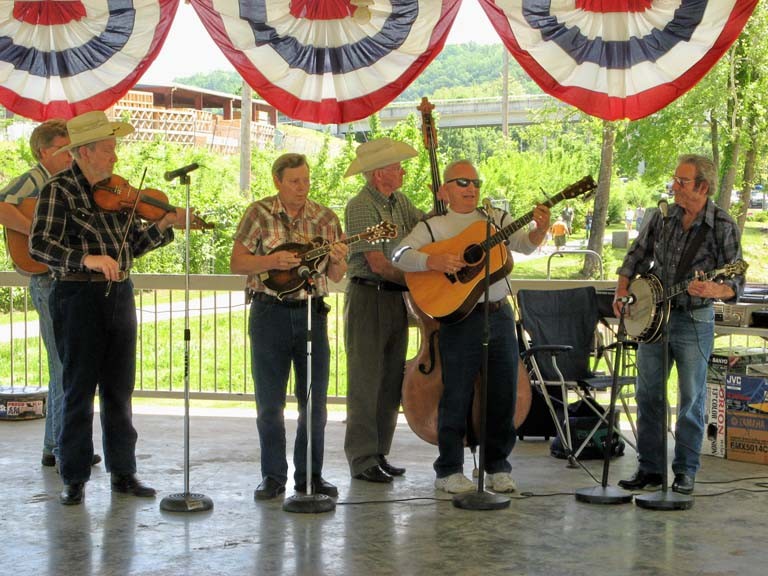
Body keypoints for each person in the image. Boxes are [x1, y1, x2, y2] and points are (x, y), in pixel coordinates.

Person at [29, 110, 179, 505]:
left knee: (119, 389)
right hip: (77, 295)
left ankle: (124, 473)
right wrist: (86, 259)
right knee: (78, 390)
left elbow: (130, 248)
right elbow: (39, 245)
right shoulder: (59, 190)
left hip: (119, 293)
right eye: (108, 149)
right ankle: (74, 477)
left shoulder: (116, 192)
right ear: (85, 152)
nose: (115, 156)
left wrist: (161, 227)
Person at [392, 160, 550, 493]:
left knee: (503, 391)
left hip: (499, 313)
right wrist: (432, 260)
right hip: (459, 317)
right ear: (445, 190)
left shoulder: (495, 218)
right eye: (462, 182)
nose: (471, 188)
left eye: (475, 182)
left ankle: (497, 467)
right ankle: (449, 470)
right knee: (456, 392)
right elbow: (398, 254)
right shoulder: (433, 226)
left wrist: (540, 229)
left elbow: (525, 244)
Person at [613, 154, 744, 495]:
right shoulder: (663, 216)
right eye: (674, 180)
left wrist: (714, 289)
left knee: (691, 400)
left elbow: (736, 280)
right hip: (653, 318)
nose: (674, 187)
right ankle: (650, 468)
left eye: (682, 182)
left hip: (693, 320)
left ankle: (685, 471)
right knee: (648, 395)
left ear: (703, 187)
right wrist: (623, 291)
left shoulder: (722, 225)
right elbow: (636, 255)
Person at [230, 153, 348, 500]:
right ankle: (272, 476)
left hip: (312, 312)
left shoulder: (325, 218)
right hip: (269, 313)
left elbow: (335, 275)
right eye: (294, 181)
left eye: (306, 180)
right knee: (270, 403)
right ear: (277, 181)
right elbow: (237, 262)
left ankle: (311, 476)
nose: (302, 187)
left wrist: (339, 260)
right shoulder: (258, 213)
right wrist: (271, 260)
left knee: (314, 403)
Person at [0, 120, 104, 470]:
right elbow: (1, 204)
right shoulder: (36, 179)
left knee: (63, 366)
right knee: (64, 367)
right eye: (63, 149)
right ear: (44, 152)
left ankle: (54, 445)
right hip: (47, 280)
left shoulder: (67, 184)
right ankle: (64, 449)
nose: (70, 155)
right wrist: (36, 230)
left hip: (60, 279)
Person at [343, 137, 425, 483]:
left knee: (390, 378)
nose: (402, 172)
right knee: (366, 379)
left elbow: (425, 227)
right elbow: (377, 263)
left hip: (393, 297)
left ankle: (379, 453)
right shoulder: (361, 206)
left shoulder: (399, 202)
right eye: (396, 167)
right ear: (379, 174)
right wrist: (418, 281)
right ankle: (362, 458)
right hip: (369, 295)